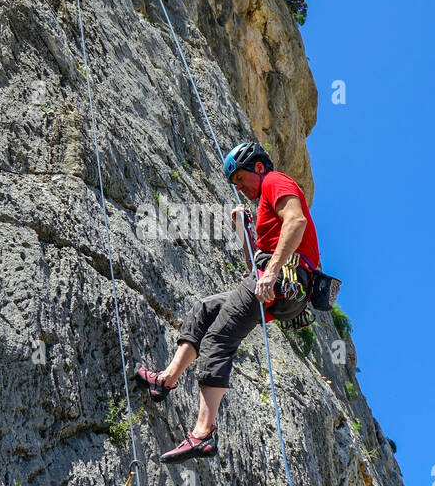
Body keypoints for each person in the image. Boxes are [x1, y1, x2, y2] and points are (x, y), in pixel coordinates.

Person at [135, 140, 320, 462]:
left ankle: (202, 435)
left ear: (259, 168)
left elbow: (296, 221)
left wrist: (271, 272)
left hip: (286, 278)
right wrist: (243, 229)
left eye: (240, 179)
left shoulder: (275, 181)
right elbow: (255, 261)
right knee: (204, 309)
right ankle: (166, 380)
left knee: (219, 339)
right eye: (234, 184)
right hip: (278, 281)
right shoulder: (261, 204)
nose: (240, 187)